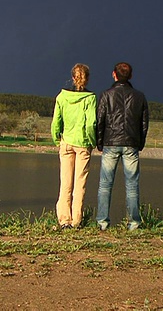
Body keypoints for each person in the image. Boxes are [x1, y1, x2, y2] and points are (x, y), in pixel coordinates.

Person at [96, 62, 149, 231]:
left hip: (110, 143)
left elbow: (100, 121)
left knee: (105, 185)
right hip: (131, 144)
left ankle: (102, 223)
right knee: (132, 185)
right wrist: (139, 144)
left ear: (114, 74)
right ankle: (134, 223)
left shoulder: (106, 95)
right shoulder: (139, 97)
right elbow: (144, 124)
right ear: (131, 76)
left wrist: (99, 143)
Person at [51, 63, 97, 229]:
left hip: (66, 143)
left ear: (72, 77)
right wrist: (92, 142)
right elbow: (91, 123)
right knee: (80, 184)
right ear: (87, 78)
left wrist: (57, 139)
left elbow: (56, 122)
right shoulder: (90, 98)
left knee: (65, 183)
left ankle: (64, 220)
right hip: (83, 144)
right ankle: (76, 220)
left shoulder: (61, 97)